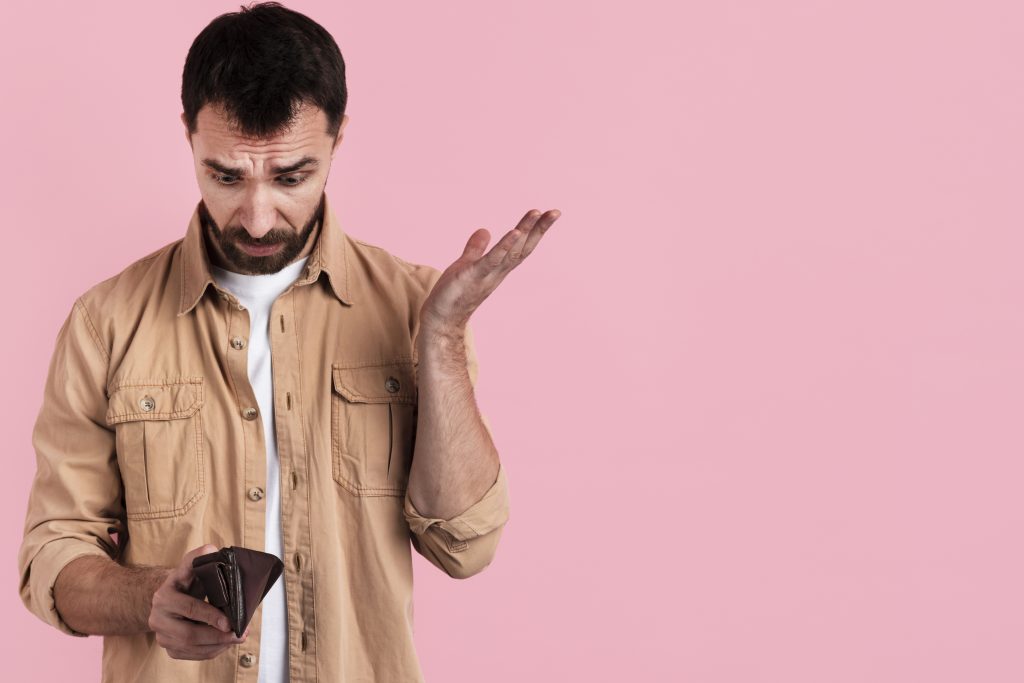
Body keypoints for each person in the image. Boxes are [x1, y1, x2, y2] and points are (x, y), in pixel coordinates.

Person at [16, 2, 560, 681]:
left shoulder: (416, 310)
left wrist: (442, 335)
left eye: (291, 176)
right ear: (189, 137)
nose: (257, 215)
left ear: (338, 140)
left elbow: (465, 545)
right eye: (226, 176)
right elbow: (53, 554)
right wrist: (146, 597)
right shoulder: (106, 322)